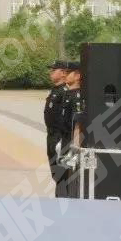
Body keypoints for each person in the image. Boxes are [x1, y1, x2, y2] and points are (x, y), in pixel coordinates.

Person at [57, 61, 84, 198]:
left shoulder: (77, 96)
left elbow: (78, 124)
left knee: (71, 180)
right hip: (64, 139)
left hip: (71, 142)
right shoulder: (68, 93)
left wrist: (75, 149)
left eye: (68, 73)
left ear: (78, 75)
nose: (65, 75)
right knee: (62, 178)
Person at [44, 60, 68, 192]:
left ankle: (62, 196)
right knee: (55, 171)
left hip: (59, 136)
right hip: (51, 135)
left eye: (54, 70)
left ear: (63, 73)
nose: (51, 73)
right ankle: (60, 194)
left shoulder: (64, 92)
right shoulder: (55, 90)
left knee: (61, 173)